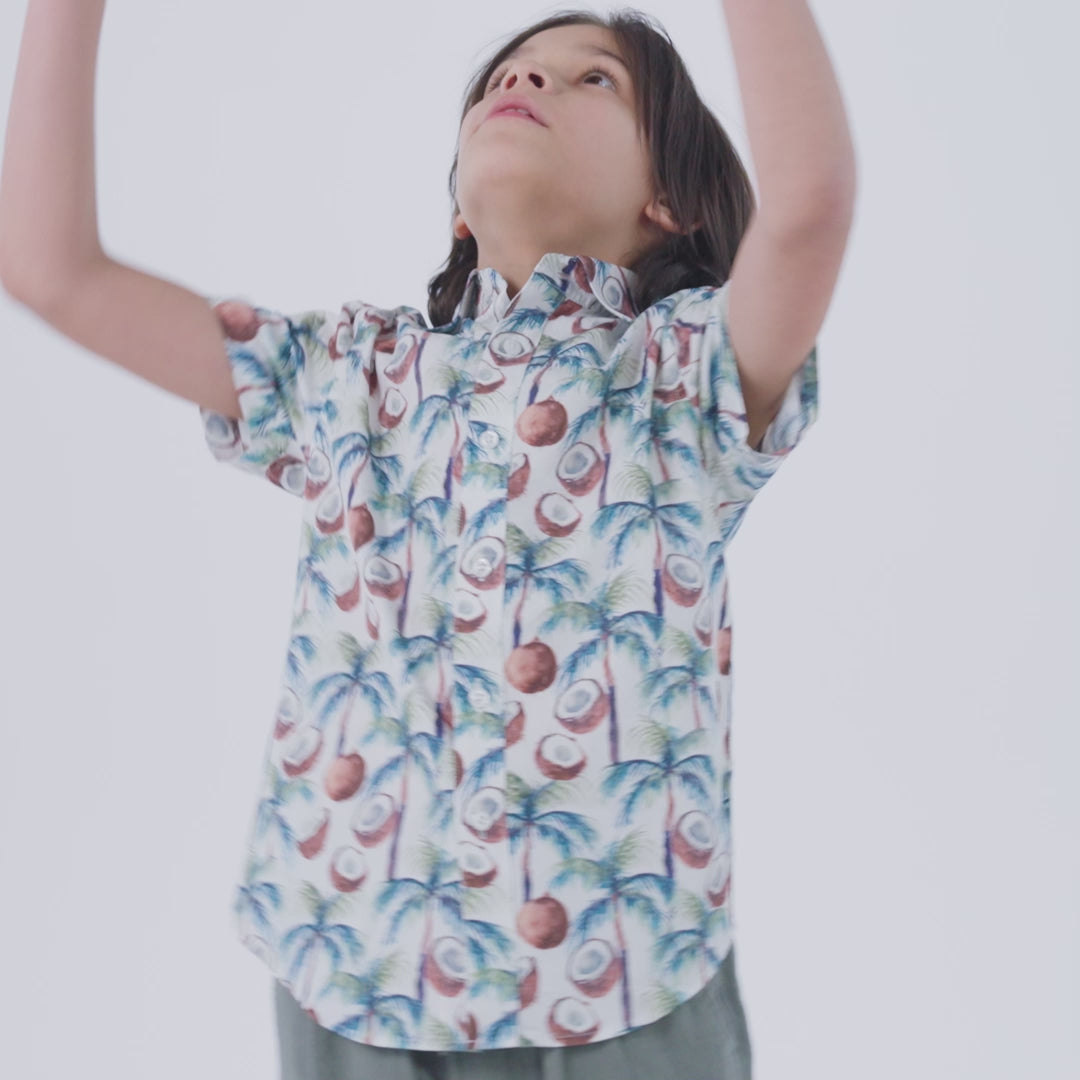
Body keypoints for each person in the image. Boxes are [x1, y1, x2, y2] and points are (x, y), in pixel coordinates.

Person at [0, 2, 856, 1077]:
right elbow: (52, 269)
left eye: (593, 78)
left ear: (670, 202)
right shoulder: (346, 371)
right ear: (458, 209)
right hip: (352, 976)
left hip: (617, 995)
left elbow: (808, 207)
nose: (526, 81)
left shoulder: (681, 377)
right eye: (507, 74)